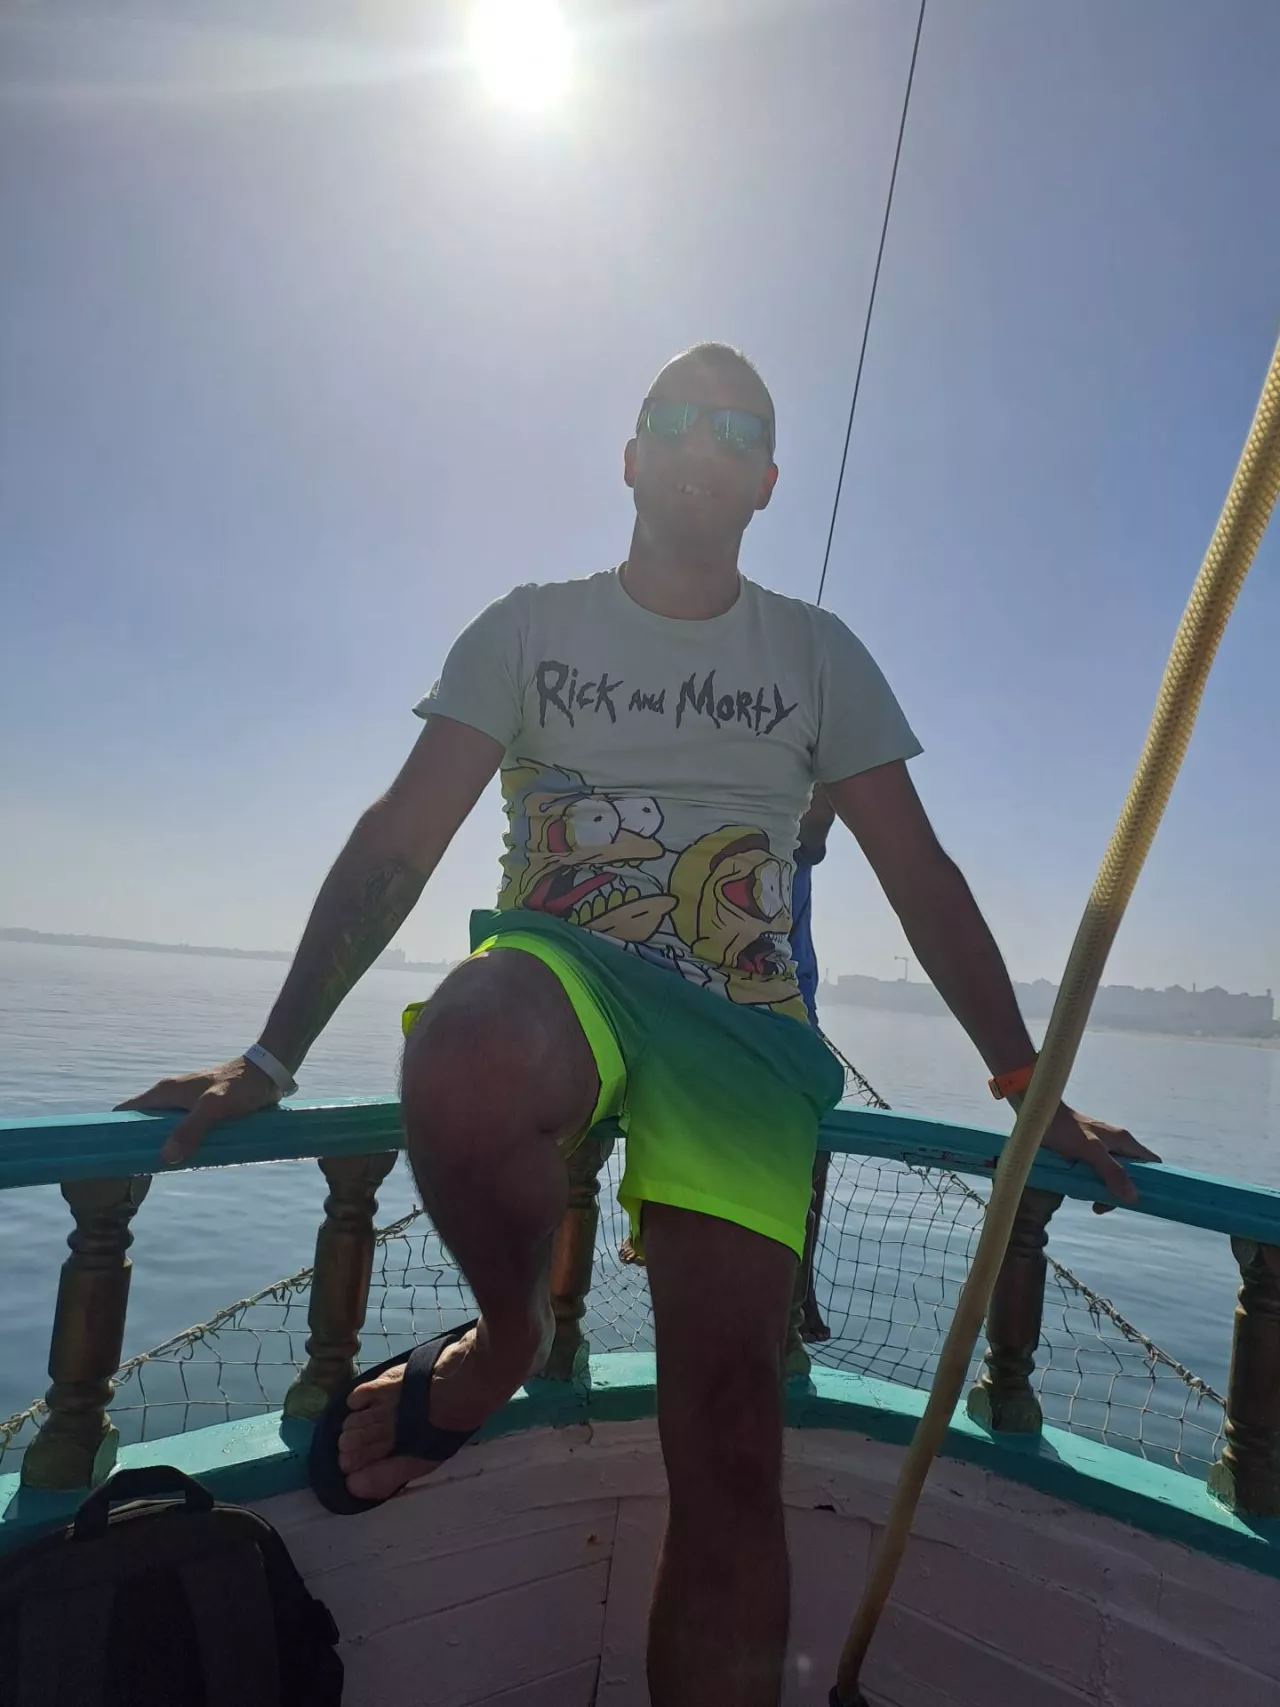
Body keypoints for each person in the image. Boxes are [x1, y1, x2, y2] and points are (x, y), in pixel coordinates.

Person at [121, 342, 1157, 1707]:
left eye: (736, 429)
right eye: (673, 418)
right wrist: (272, 1054)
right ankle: (505, 1341)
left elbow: (920, 871)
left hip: (743, 1029)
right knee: (472, 1037)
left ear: (769, 480)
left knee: (730, 1436)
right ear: (628, 455)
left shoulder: (820, 655)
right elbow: (401, 835)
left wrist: (1025, 1077)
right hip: (566, 965)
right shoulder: (526, 628)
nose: (701, 443)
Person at [790, 787, 835, 1344]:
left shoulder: (797, 844)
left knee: (814, 1143)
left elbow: (817, 822)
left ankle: (801, 1293)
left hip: (795, 1017)